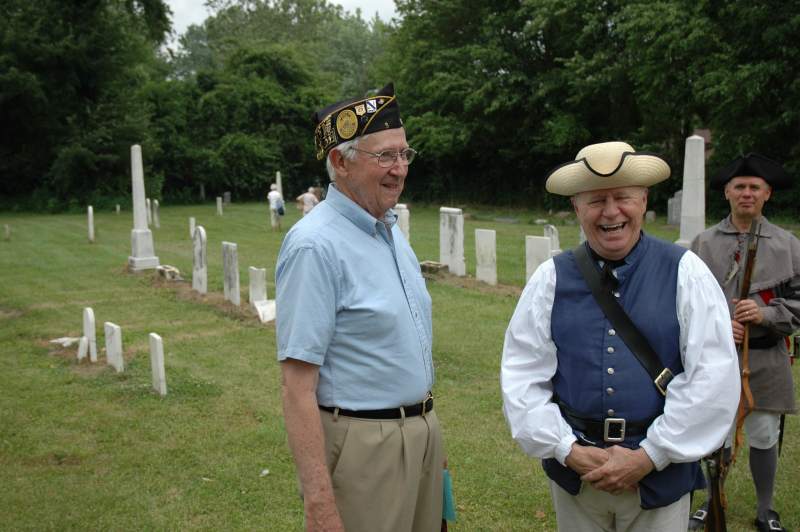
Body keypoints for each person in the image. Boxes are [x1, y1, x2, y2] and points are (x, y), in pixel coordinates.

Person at [501, 141, 741, 531]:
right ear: (577, 207)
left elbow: (713, 378)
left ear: (643, 200)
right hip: (578, 476)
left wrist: (650, 455)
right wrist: (567, 450)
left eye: (622, 197)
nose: (611, 211)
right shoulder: (550, 278)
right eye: (595, 200)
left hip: (659, 477)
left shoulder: (687, 272)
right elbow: (522, 374)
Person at [276, 83, 443, 532]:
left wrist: (429, 441)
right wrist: (319, 504)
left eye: (405, 155)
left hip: (422, 435)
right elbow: (297, 388)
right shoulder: (315, 246)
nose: (399, 170)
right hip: (363, 450)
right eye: (385, 156)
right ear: (339, 162)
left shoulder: (389, 230)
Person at [689, 153, 799, 532]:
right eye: (740, 187)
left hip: (766, 360)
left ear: (767, 194)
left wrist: (764, 316)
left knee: (764, 434)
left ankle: (766, 508)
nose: (747, 194)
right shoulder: (703, 244)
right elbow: (686, 303)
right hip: (715, 360)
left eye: (754, 188)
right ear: (727, 193)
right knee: (712, 436)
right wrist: (721, 327)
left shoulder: (788, 245)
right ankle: (708, 501)